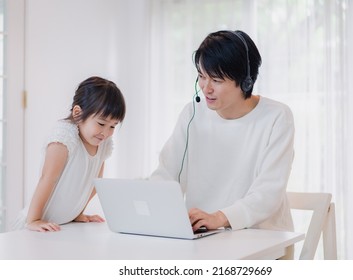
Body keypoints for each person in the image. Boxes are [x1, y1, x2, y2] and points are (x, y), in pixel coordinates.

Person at [151, 30, 295, 237]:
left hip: (261, 238)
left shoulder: (277, 117)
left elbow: (268, 193)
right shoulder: (192, 114)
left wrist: (219, 217)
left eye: (216, 80)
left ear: (245, 81)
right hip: (203, 238)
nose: (205, 88)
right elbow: (166, 174)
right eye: (201, 76)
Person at [12, 76, 126, 232]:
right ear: (78, 113)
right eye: (101, 123)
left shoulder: (102, 143)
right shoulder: (64, 138)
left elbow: (93, 183)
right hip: (34, 226)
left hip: (60, 227)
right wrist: (34, 220)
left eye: (113, 126)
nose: (106, 132)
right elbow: (47, 179)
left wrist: (77, 213)